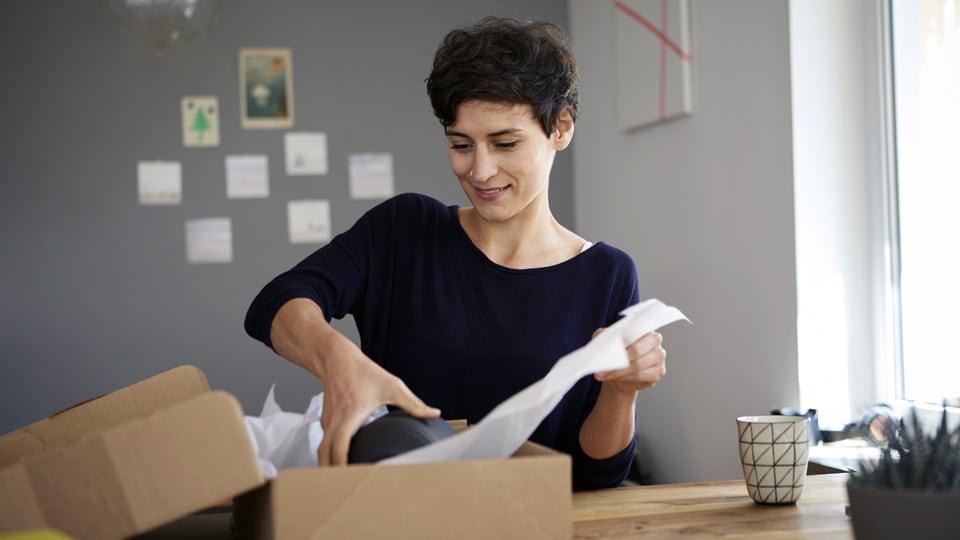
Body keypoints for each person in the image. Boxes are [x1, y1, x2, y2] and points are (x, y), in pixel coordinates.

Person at [244, 16, 666, 490]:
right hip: (398, 517)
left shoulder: (606, 274)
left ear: (561, 128)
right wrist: (337, 359)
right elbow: (276, 302)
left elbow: (596, 475)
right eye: (460, 144)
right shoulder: (405, 231)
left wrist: (622, 391)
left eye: (505, 143)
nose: (481, 171)